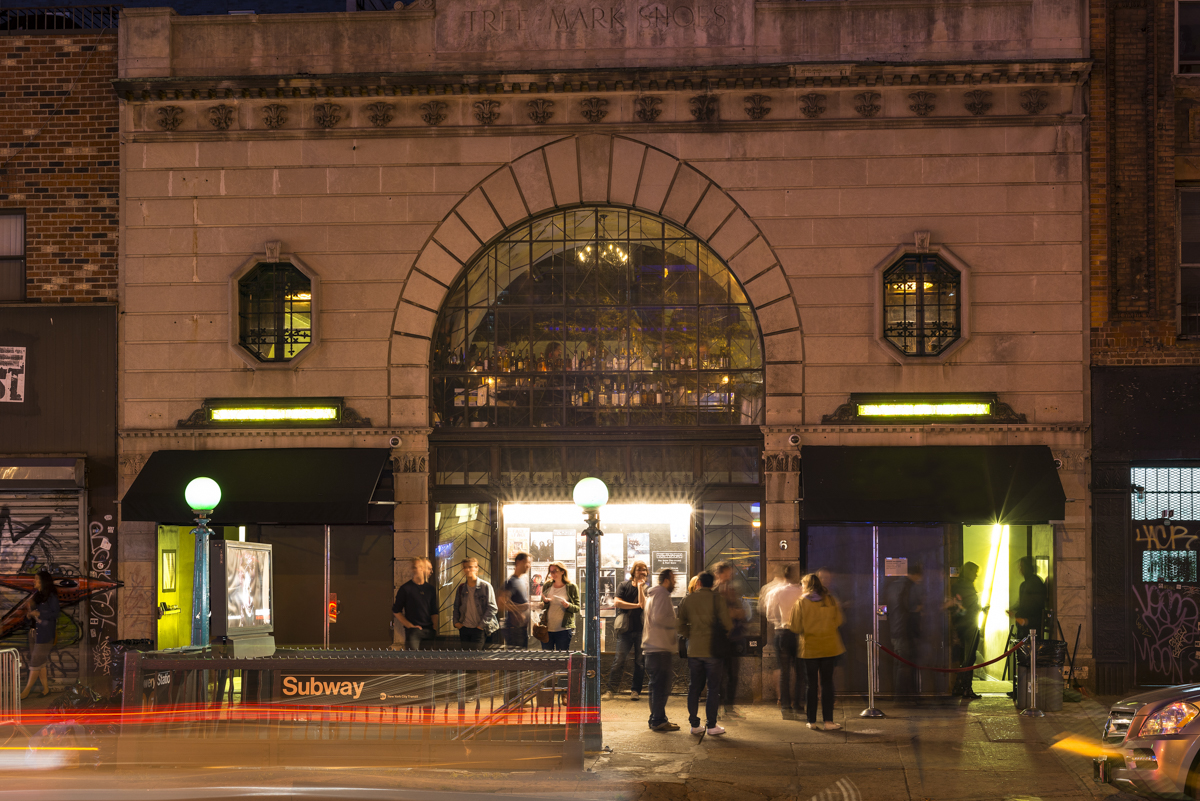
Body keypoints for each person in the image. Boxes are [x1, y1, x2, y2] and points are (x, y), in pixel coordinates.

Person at [676, 571, 733, 737]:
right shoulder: (718, 600)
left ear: (698, 583)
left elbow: (679, 625)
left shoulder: (688, 599)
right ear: (712, 584)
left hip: (694, 649)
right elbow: (727, 625)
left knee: (694, 687)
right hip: (713, 651)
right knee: (713, 689)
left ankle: (694, 725)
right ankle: (712, 725)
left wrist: (691, 635)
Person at [789, 572, 845, 731]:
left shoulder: (800, 603)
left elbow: (795, 627)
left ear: (805, 585)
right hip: (830, 647)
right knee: (827, 684)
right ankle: (828, 722)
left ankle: (811, 721)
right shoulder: (831, 600)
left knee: (811, 685)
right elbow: (839, 621)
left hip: (810, 648)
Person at [763, 564, 805, 719]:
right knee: (801, 672)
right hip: (800, 633)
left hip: (783, 633)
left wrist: (779, 623)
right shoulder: (803, 591)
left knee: (784, 672)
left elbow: (770, 614)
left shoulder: (776, 592)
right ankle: (799, 705)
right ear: (797, 575)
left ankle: (786, 707)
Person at [642, 569, 680, 732]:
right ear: (666, 580)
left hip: (654, 647)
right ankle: (658, 720)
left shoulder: (654, 595)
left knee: (657, 686)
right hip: (659, 648)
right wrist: (677, 621)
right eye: (673, 579)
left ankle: (658, 718)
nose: (675, 582)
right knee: (661, 687)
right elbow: (660, 618)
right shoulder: (662, 594)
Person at [604, 560, 648, 701]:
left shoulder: (647, 589)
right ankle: (611, 690)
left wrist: (641, 588)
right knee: (619, 660)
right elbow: (617, 602)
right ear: (633, 572)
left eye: (644, 569)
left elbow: (645, 605)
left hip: (641, 629)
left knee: (640, 663)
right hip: (625, 630)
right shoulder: (624, 585)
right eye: (639, 569)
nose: (641, 572)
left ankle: (635, 691)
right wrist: (636, 606)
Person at [883, 562, 924, 697]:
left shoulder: (894, 585)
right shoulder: (908, 586)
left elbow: (887, 608)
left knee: (898, 663)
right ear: (916, 574)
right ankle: (903, 696)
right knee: (904, 665)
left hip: (895, 628)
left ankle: (899, 694)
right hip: (905, 629)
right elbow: (912, 607)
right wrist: (922, 606)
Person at [713, 561, 747, 718]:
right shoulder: (714, 591)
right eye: (727, 573)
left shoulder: (732, 590)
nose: (730, 576)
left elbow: (741, 612)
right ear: (719, 574)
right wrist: (731, 612)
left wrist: (736, 611)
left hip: (734, 638)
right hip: (720, 639)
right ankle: (718, 707)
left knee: (733, 674)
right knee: (719, 676)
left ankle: (729, 706)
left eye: (730, 573)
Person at [948, 561, 983, 699]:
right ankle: (966, 688)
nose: (975, 576)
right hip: (970, 626)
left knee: (963, 658)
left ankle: (958, 686)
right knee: (969, 658)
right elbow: (967, 608)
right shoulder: (967, 586)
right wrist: (979, 609)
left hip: (961, 626)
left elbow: (960, 608)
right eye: (974, 573)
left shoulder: (957, 586)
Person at [21, 570, 59, 699]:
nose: (33, 581)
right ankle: (46, 689)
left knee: (35, 662)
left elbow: (55, 614)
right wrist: (29, 614)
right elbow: (29, 618)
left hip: (45, 635)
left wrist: (39, 614)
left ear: (43, 581)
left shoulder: (51, 596)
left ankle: (26, 691)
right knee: (40, 663)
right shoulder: (36, 596)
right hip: (33, 633)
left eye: (36, 579)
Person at [393, 556, 439, 651]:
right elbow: (396, 610)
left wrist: (434, 627)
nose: (431, 571)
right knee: (414, 660)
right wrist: (410, 626)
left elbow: (434, 610)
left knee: (427, 661)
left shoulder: (430, 589)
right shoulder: (406, 589)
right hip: (414, 631)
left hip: (429, 630)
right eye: (429, 568)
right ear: (422, 568)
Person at [452, 557, 498, 649]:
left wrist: (481, 626)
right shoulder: (461, 588)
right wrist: (456, 622)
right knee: (465, 658)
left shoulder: (485, 586)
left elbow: (492, 608)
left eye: (470, 567)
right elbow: (456, 606)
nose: (467, 569)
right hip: (464, 628)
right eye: (465, 567)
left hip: (479, 629)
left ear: (477, 568)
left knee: (475, 659)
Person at [541, 561, 580, 651]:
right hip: (547, 628)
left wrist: (568, 605)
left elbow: (577, 608)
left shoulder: (571, 587)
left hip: (563, 629)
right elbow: (542, 606)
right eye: (551, 571)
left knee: (562, 658)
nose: (553, 574)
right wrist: (545, 602)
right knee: (547, 659)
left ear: (562, 571)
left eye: (555, 571)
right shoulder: (547, 585)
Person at [500, 552, 533, 649]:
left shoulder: (521, 580)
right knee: (516, 662)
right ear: (518, 562)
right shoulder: (511, 582)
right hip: (514, 630)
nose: (529, 566)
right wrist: (522, 607)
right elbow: (501, 604)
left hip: (521, 629)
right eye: (527, 562)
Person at [1008, 557, 1046, 640]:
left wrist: (1027, 620)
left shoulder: (1034, 583)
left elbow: (1036, 605)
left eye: (1022, 567)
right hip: (1025, 624)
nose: (1020, 569)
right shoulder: (1026, 584)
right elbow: (1023, 603)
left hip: (1031, 625)